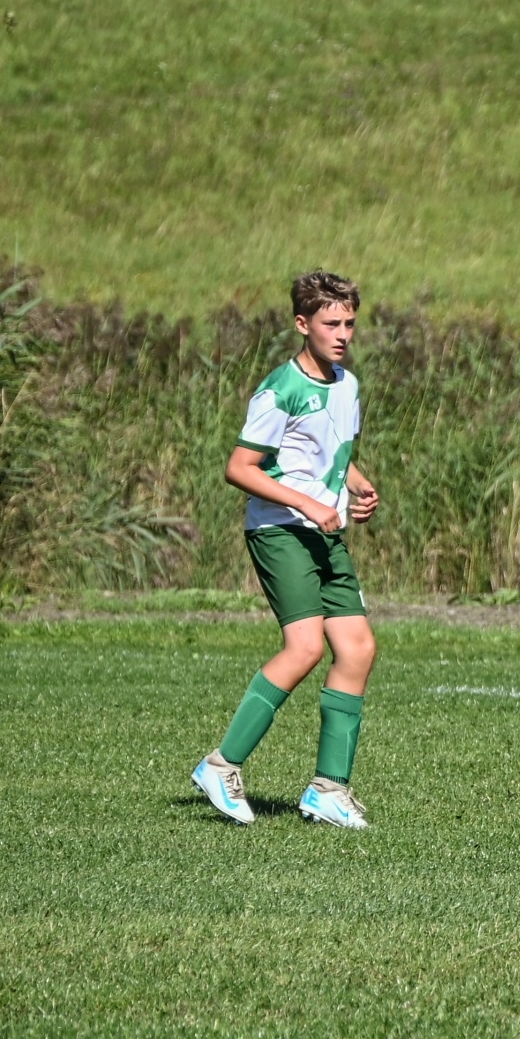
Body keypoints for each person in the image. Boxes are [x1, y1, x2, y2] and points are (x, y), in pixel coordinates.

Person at [191, 271, 381, 829]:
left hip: (323, 532)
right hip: (279, 530)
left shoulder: (346, 384)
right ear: (302, 324)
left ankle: (328, 790)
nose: (342, 334)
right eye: (331, 324)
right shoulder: (281, 389)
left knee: (358, 648)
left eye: (349, 323)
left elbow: (330, 452)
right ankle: (220, 765)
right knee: (304, 648)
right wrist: (307, 503)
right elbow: (239, 468)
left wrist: (356, 486)